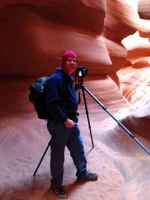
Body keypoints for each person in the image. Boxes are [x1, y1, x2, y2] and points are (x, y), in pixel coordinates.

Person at [45, 50, 98, 198]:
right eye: (69, 60)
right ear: (63, 62)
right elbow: (51, 104)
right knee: (58, 156)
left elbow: (66, 98)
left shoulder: (68, 78)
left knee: (78, 148)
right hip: (60, 124)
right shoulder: (54, 79)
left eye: (75, 60)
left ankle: (82, 173)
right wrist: (64, 119)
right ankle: (56, 184)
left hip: (71, 123)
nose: (73, 62)